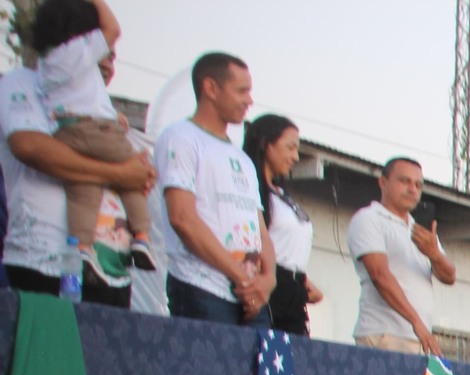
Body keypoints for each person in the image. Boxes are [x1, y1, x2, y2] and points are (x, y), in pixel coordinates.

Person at [0, 34, 150, 306]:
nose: (108, 63)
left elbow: (135, 174)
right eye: (99, 51)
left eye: (113, 57)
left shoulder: (104, 109)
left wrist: (141, 175)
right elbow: (30, 147)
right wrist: (121, 175)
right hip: (51, 266)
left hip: (113, 271)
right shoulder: (24, 81)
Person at [26, 0, 154, 284]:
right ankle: (143, 237)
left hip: (67, 131)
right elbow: (114, 28)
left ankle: (82, 247)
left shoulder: (47, 63)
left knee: (84, 189)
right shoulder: (77, 51)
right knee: (136, 171)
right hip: (97, 129)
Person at [156, 52, 273, 326]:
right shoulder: (181, 138)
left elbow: (259, 229)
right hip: (201, 288)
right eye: (241, 91)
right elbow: (182, 219)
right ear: (210, 88)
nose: (249, 101)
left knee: (256, 370)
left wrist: (268, 280)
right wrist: (241, 276)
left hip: (251, 297)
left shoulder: (243, 159)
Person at [347, 156, 455, 355]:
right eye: (404, 181)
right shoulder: (369, 219)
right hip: (384, 333)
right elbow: (380, 276)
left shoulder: (420, 230)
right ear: (383, 182)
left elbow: (449, 277)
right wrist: (416, 322)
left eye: (418, 185)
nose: (412, 189)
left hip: (419, 338)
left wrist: (435, 255)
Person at [243, 114, 321, 335]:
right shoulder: (253, 192)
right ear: (265, 144)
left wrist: (304, 283)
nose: (295, 157)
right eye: (290, 148)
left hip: (294, 290)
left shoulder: (282, 195)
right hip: (269, 287)